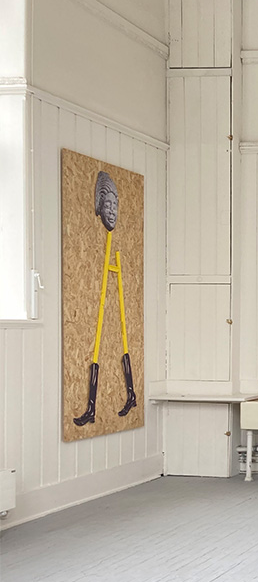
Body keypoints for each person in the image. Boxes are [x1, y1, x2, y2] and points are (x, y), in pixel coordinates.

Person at [73, 171, 136, 425]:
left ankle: (129, 394)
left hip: (113, 260)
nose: (112, 211)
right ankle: (93, 407)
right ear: (99, 207)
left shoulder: (115, 250)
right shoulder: (104, 242)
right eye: (107, 205)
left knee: (120, 338)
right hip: (108, 261)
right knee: (98, 346)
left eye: (115, 205)